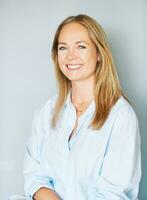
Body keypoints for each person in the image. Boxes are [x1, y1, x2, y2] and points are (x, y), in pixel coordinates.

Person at [23, 14, 141, 200]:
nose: (70, 56)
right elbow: (35, 178)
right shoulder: (46, 112)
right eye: (63, 48)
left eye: (81, 46)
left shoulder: (120, 115)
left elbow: (114, 194)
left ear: (99, 54)